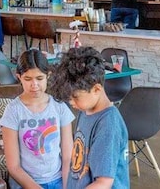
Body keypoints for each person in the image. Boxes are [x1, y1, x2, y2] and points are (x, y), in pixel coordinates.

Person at [48, 47, 129, 189]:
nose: (71, 102)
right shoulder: (85, 110)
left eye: (75, 97)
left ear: (96, 89)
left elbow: (103, 183)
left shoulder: (108, 125)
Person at [0, 49, 74, 189]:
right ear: (19, 77)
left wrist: (66, 186)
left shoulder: (59, 107)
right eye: (28, 79)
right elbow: (13, 166)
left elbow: (67, 157)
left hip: (59, 178)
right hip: (25, 182)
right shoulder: (13, 111)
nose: (34, 85)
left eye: (40, 78)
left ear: (48, 76)